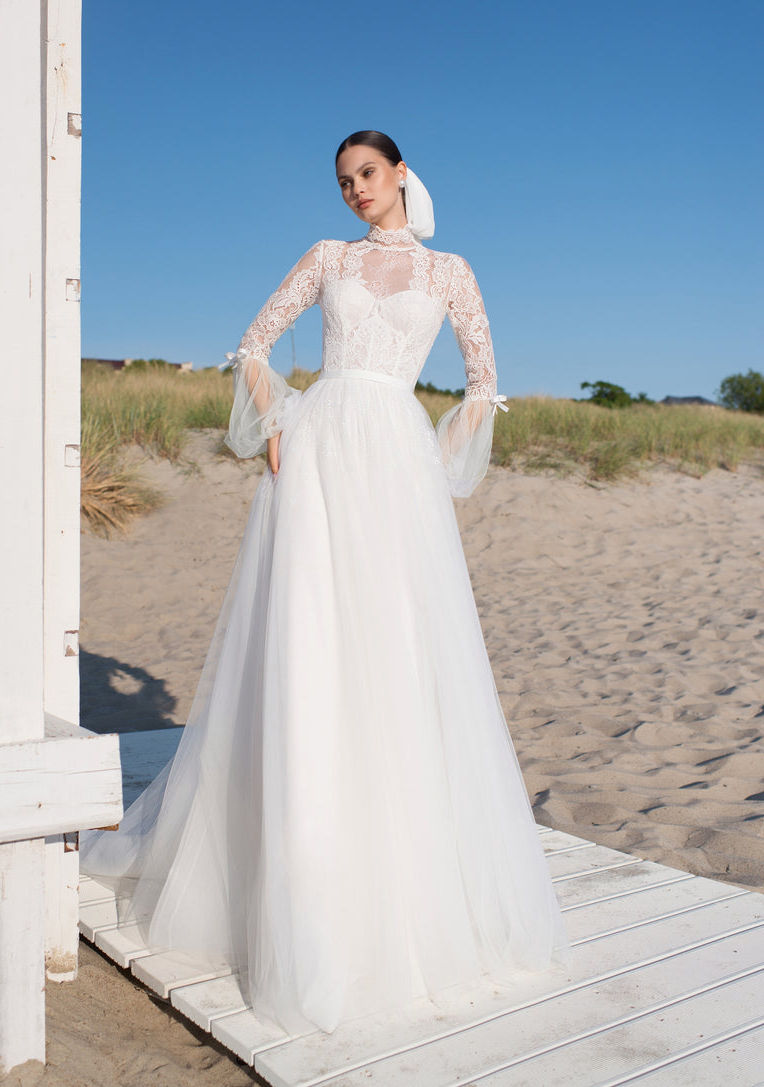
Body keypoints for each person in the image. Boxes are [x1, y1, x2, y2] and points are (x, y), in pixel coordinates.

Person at [81, 130, 569, 1037]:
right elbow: (255, 343)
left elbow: (484, 381)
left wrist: (435, 464)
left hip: (396, 461)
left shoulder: (453, 272)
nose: (354, 190)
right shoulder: (327, 256)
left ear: (401, 176)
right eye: (344, 179)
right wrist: (274, 421)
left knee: (393, 644)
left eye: (367, 175)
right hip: (319, 450)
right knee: (311, 637)